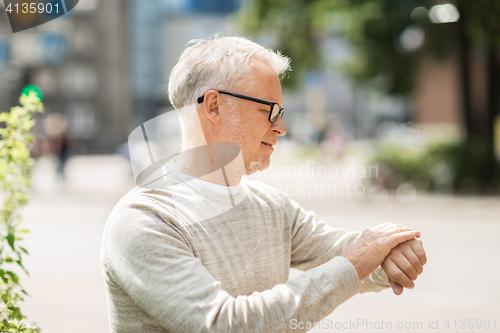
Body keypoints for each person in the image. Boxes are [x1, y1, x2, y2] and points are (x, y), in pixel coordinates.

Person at [100, 36, 427, 333]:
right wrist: (358, 262)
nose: (282, 127)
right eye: (269, 110)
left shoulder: (273, 206)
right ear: (214, 106)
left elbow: (347, 254)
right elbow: (224, 325)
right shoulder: (144, 218)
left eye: (281, 112)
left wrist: (393, 252)